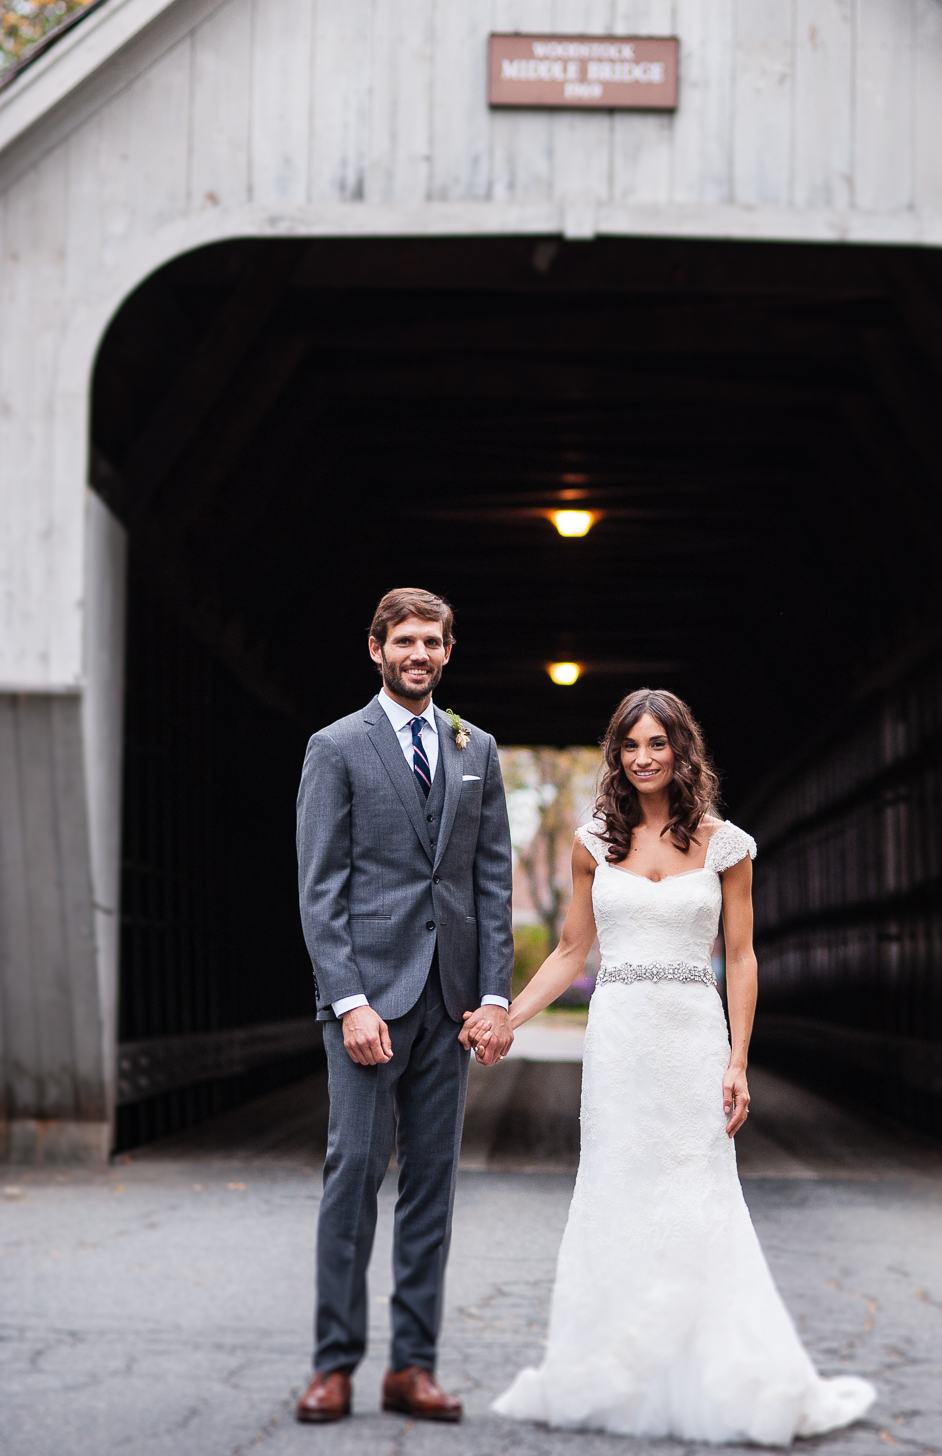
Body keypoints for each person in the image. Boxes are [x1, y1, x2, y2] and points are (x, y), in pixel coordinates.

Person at [477, 688, 875, 1446]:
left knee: (699, 1196)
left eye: (658, 743)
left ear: (681, 750)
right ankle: (613, 1371)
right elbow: (570, 950)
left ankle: (716, 1375)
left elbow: (740, 957)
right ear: (616, 756)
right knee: (616, 1190)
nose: (644, 757)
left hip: (693, 1036)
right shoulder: (594, 841)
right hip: (620, 1037)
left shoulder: (727, 844)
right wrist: (507, 1016)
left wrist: (739, 1059)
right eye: (631, 746)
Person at [294, 587, 515, 1425]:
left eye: (433, 642)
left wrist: (494, 992)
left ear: (449, 652)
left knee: (434, 1182)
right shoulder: (335, 747)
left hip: (450, 1003)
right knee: (353, 1173)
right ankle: (335, 1366)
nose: (419, 654)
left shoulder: (476, 748)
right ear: (377, 650)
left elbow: (488, 879)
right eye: (404, 641)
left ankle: (411, 1367)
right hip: (368, 1003)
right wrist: (349, 1001)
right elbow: (321, 890)